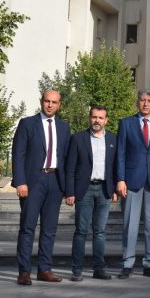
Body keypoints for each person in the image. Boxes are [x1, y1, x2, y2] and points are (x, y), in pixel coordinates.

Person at [12, 89, 71, 285]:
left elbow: (66, 159)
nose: (50, 105)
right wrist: (20, 181)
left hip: (55, 182)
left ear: (59, 104)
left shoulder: (64, 127)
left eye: (54, 102)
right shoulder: (27, 124)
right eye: (47, 101)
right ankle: (24, 271)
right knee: (28, 228)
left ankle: (44, 269)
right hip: (33, 182)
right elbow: (18, 154)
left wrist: (67, 188)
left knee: (49, 229)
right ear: (41, 101)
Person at [116, 89, 150, 279]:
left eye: (149, 100)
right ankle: (127, 263)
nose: (145, 103)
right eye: (142, 100)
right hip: (131, 182)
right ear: (137, 102)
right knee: (130, 224)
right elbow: (120, 153)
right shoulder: (126, 123)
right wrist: (120, 179)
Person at [65, 105, 118, 282]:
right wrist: (70, 191)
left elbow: (115, 166)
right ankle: (77, 270)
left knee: (100, 232)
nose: (97, 121)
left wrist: (115, 188)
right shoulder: (78, 138)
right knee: (80, 231)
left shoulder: (113, 139)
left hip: (104, 190)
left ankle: (98, 269)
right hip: (84, 189)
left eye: (100, 118)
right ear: (90, 118)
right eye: (94, 117)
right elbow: (70, 168)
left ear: (106, 120)